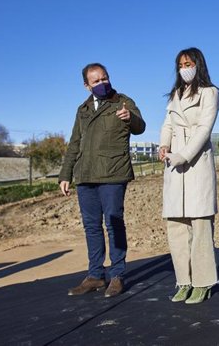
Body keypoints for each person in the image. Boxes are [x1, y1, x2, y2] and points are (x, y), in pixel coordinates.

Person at [59, 62, 146, 298]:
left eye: (104, 78)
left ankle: (117, 275)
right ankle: (95, 276)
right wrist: (65, 174)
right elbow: (74, 142)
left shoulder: (123, 101)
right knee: (91, 226)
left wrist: (130, 118)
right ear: (87, 86)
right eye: (96, 81)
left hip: (113, 172)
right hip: (85, 175)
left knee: (113, 223)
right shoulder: (83, 109)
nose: (102, 83)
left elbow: (141, 127)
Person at [159, 47, 219, 304]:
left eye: (189, 63)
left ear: (198, 64)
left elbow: (204, 129)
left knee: (200, 225)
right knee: (177, 228)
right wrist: (163, 145)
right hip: (173, 166)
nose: (185, 68)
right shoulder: (175, 94)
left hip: (195, 163)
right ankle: (183, 281)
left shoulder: (210, 93)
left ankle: (203, 282)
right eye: (181, 64)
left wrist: (182, 155)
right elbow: (168, 124)